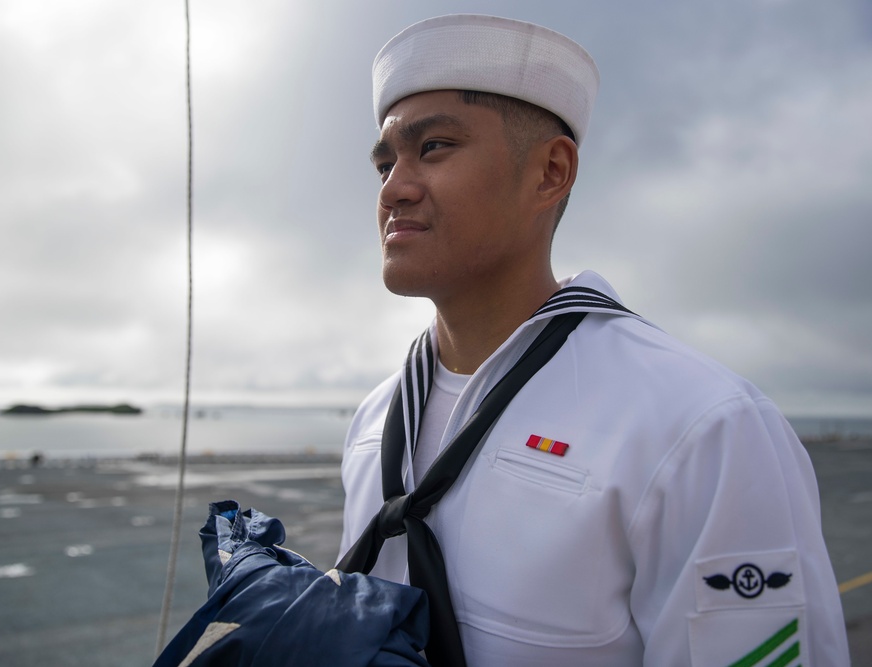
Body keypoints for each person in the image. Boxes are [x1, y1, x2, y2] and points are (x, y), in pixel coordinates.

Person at [336, 14, 850, 666]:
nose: (394, 189)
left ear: (551, 172)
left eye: (433, 147)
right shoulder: (377, 419)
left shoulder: (701, 427)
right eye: (385, 161)